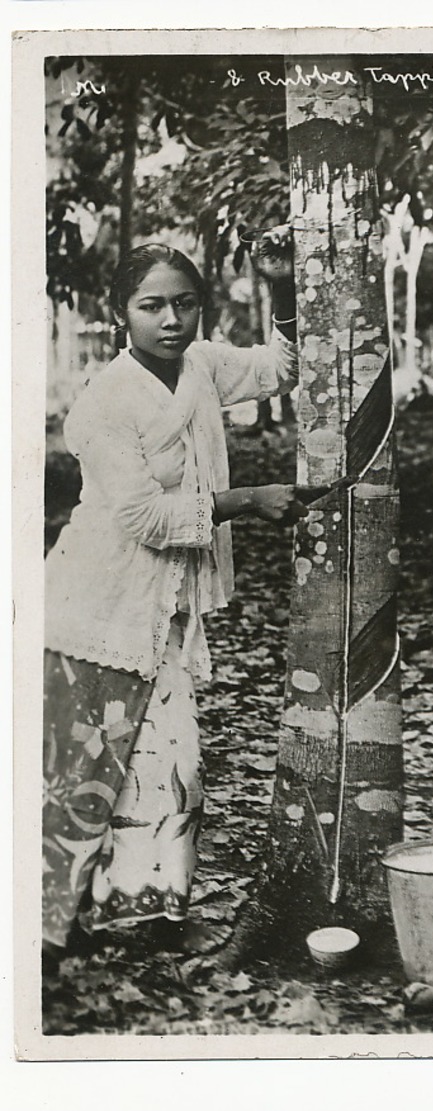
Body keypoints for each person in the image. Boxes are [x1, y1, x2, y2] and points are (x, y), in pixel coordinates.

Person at [42, 234, 307, 972]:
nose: (170, 319)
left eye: (184, 303)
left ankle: (148, 907)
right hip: (96, 600)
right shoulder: (103, 402)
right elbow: (143, 519)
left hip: (169, 603)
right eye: (151, 305)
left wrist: (281, 286)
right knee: (85, 761)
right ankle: (44, 928)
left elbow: (282, 368)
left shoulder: (202, 366)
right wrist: (250, 500)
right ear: (120, 311)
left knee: (169, 756)